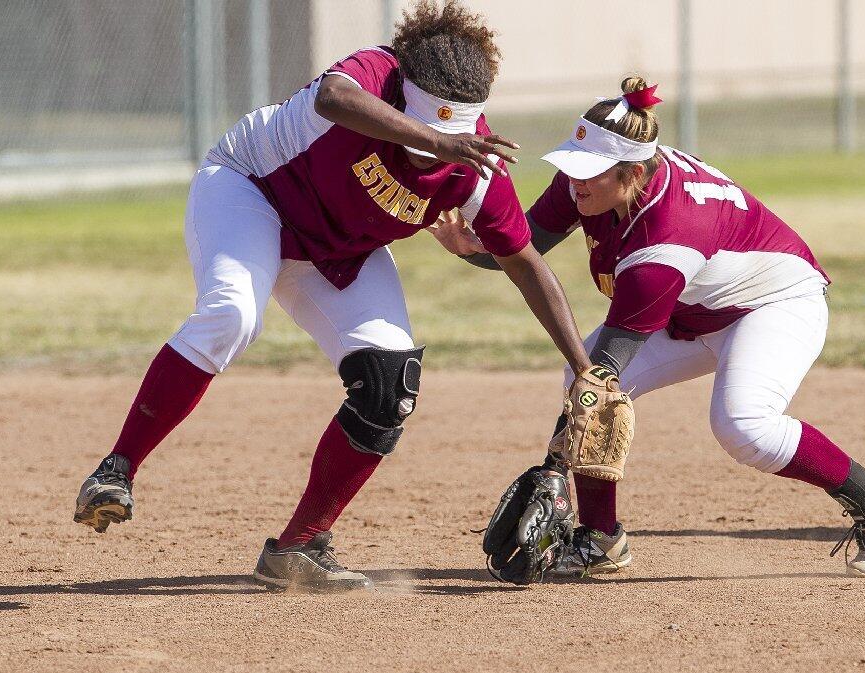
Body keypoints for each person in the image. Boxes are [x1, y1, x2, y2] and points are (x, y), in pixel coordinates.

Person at [73, 0, 600, 592]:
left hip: (336, 250)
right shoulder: (377, 71)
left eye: (455, 133)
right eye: (434, 132)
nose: (441, 147)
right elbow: (332, 99)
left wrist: (584, 369)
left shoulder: (474, 165)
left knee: (389, 383)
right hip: (252, 191)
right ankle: (116, 469)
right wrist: (437, 139)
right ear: (404, 93)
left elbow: (525, 261)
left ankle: (299, 546)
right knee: (231, 314)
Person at [436, 77, 865, 579]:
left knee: (742, 426)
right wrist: (475, 248)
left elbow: (603, 370)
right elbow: (525, 243)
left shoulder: (666, 238)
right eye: (572, 166)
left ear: (634, 174)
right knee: (579, 380)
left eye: (592, 172)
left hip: (773, 305)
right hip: (691, 310)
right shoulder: (587, 186)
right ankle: (601, 539)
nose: (575, 181)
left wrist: (554, 465)